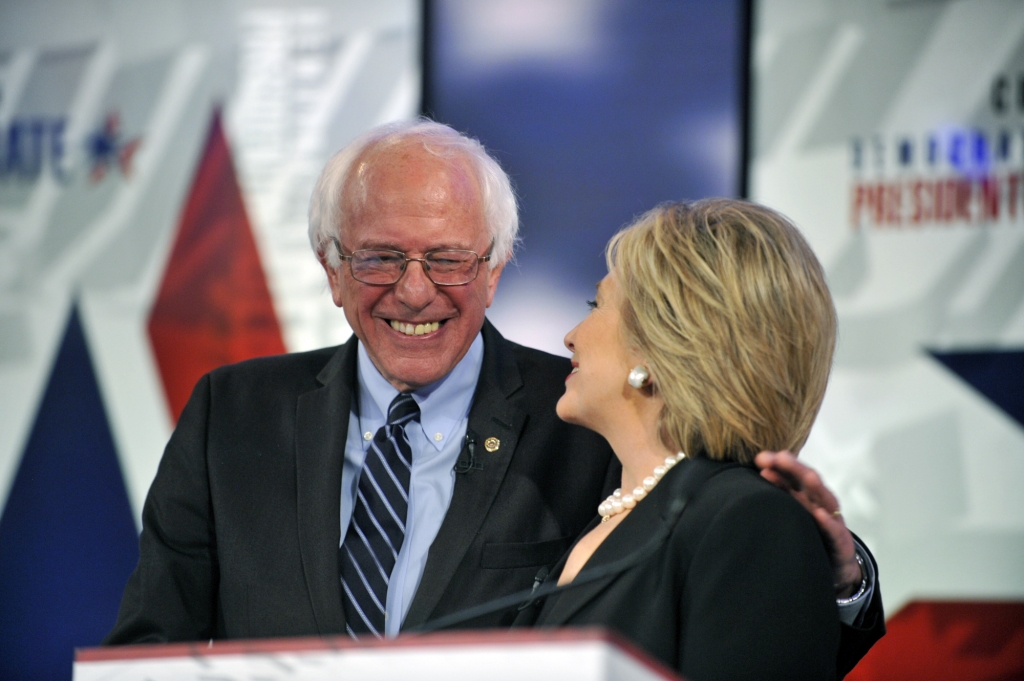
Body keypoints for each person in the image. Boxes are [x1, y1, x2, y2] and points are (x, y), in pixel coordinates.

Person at [105, 122, 880, 664]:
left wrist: (840, 581)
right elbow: (147, 648)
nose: (415, 292)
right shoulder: (231, 416)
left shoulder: (586, 424)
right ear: (330, 267)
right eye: (380, 258)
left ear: (495, 265)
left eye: (447, 259)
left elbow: (732, 595)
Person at [513, 199, 883, 680]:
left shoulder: (746, 518)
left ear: (663, 341)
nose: (570, 335)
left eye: (596, 305)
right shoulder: (623, 509)